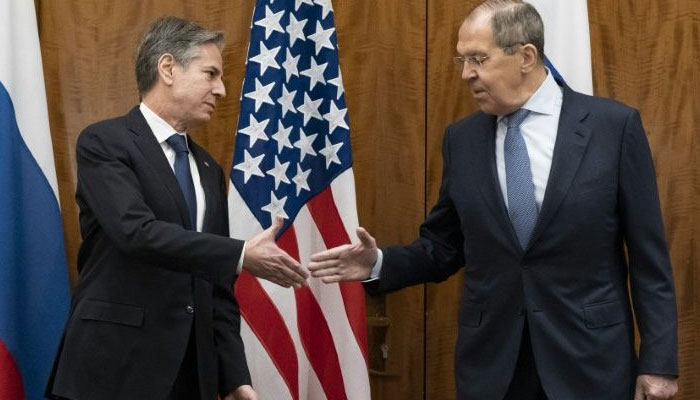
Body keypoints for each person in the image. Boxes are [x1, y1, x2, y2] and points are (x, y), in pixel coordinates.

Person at [308, 1, 679, 399]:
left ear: (526, 56)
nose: (467, 74)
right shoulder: (463, 140)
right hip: (493, 371)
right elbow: (443, 247)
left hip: (589, 363)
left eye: (478, 59)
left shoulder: (612, 127)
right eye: (462, 60)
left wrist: (658, 364)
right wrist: (377, 263)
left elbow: (648, 259)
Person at [45, 16, 308, 400]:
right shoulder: (105, 142)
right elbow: (136, 233)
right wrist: (241, 253)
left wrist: (234, 376)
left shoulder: (207, 169)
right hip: (115, 368)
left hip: (191, 374)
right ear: (168, 68)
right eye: (210, 74)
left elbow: (217, 284)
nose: (221, 89)